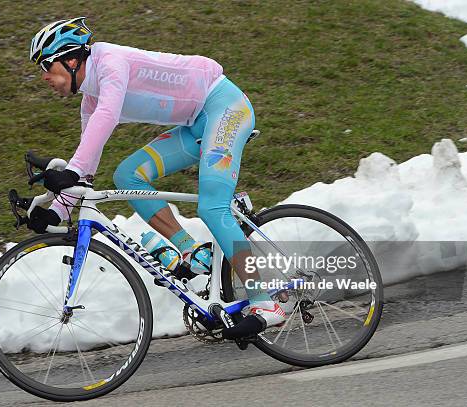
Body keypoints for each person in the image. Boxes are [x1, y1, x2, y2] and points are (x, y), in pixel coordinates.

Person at [27, 17, 289, 337]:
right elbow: (86, 164)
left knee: (212, 207)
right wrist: (55, 212)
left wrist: (71, 171)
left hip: (226, 109)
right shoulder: (90, 97)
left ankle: (266, 303)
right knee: (127, 175)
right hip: (196, 125)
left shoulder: (110, 62)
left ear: (70, 60)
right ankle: (193, 251)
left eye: (46, 66)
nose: (44, 77)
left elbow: (107, 119)